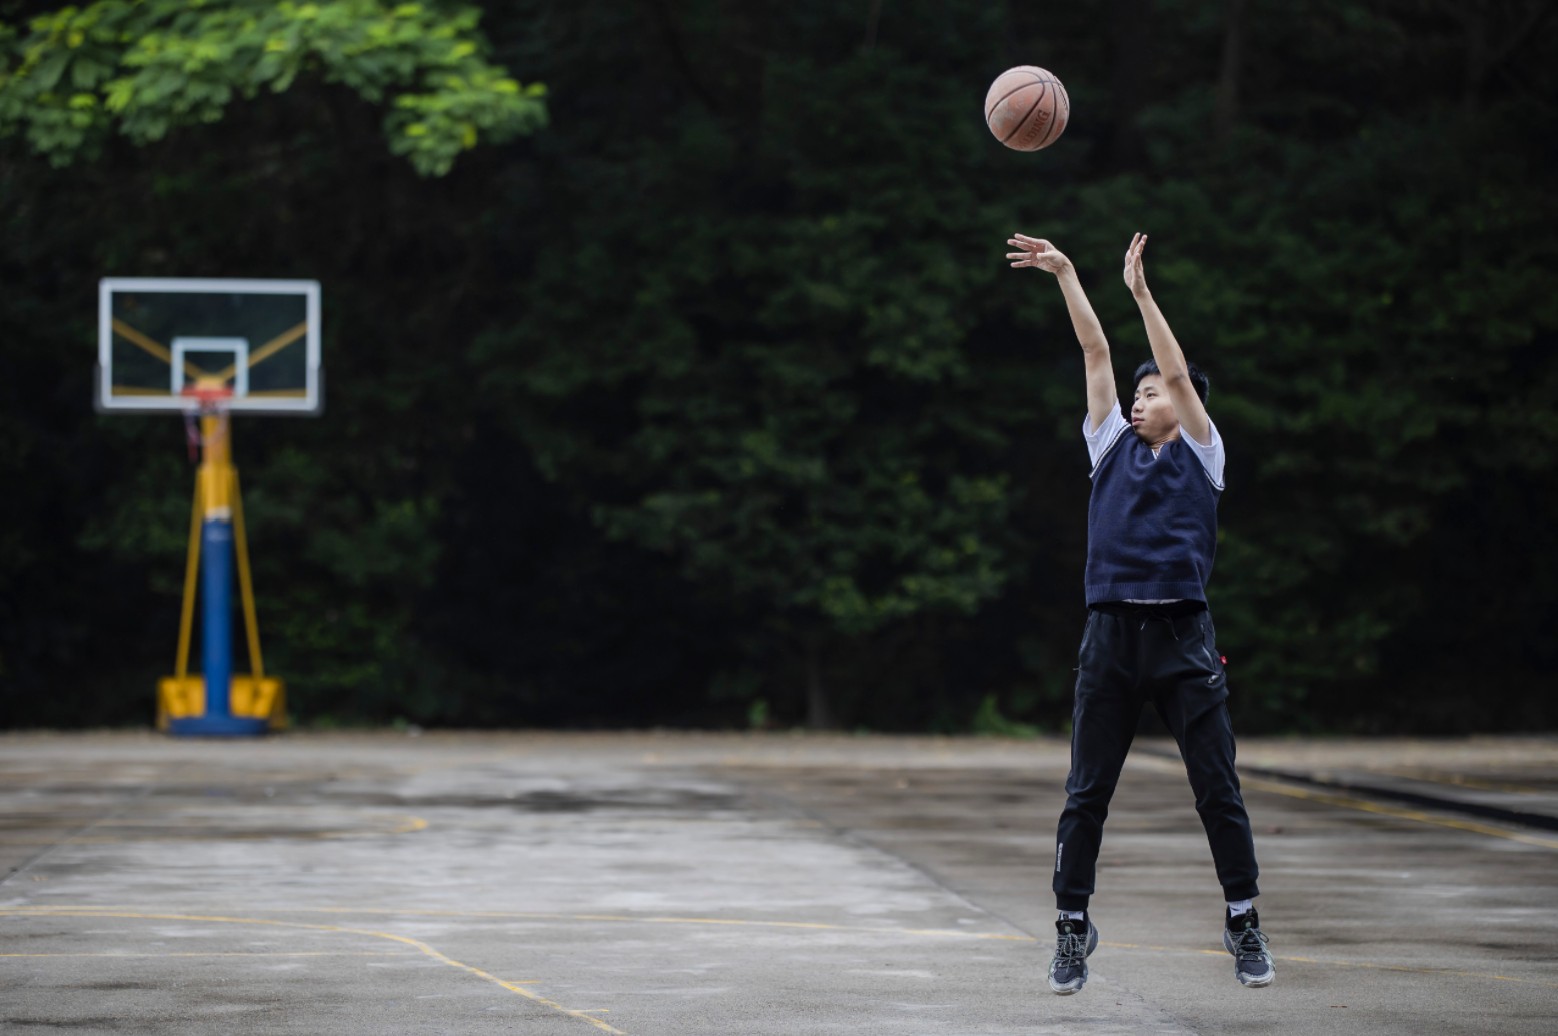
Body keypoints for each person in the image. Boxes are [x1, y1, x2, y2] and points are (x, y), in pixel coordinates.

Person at [1005, 231, 1274, 994]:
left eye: (1151, 392)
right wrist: (1066, 273)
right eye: (1139, 393)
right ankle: (1071, 926)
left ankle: (1243, 917)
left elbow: (1178, 372)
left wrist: (1142, 294)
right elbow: (1094, 352)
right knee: (1086, 792)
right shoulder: (1109, 446)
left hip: (1184, 638)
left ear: (1183, 408)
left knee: (1217, 787)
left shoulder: (1203, 451)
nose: (1140, 398)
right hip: (1111, 638)